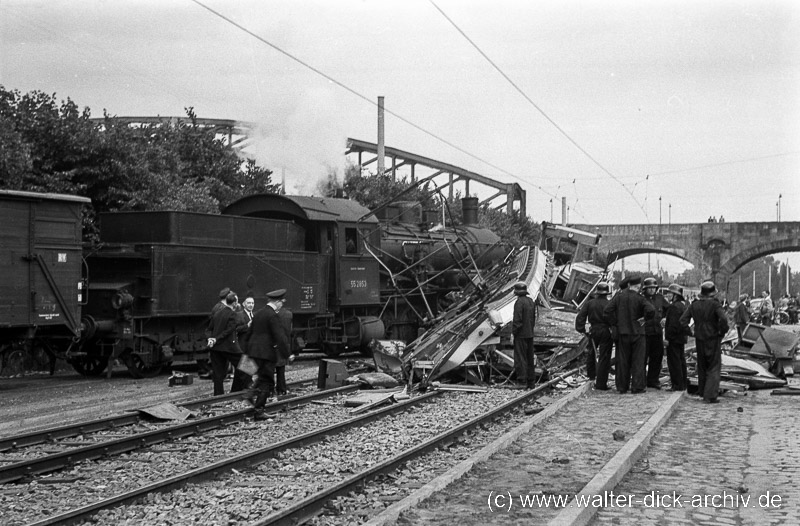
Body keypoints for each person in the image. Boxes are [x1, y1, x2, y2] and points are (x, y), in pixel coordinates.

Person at [603, 276, 655, 394]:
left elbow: (607, 311)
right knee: (638, 360)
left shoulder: (619, 297)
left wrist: (615, 323)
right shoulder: (640, 298)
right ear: (638, 287)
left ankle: (622, 387)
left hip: (622, 333)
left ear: (628, 285)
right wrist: (644, 319)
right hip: (638, 334)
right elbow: (651, 310)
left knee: (622, 361)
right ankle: (637, 387)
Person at [680, 281, 729, 403]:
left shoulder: (694, 305)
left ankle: (702, 392)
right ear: (713, 294)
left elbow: (682, 321)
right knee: (713, 366)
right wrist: (721, 332)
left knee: (702, 366)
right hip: (713, 337)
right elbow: (723, 319)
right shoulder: (715, 305)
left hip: (699, 338)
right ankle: (710, 395)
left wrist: (690, 332)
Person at [246, 289, 291, 416]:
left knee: (261, 377)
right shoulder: (273, 316)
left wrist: (247, 351)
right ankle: (259, 411)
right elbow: (280, 337)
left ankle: (249, 393)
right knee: (267, 381)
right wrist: (287, 354)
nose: (282, 304)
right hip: (266, 353)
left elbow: (249, 333)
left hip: (253, 351)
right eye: (282, 302)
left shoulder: (258, 313)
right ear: (277, 302)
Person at [205, 291, 249, 396]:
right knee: (247, 365)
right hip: (229, 346)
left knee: (218, 374)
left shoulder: (217, 313)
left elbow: (208, 329)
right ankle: (245, 389)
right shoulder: (233, 315)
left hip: (216, 348)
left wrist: (210, 338)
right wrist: (215, 339)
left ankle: (218, 395)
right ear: (234, 303)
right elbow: (228, 331)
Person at [574, 282, 613, 390]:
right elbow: (614, 318)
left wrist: (582, 330)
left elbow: (580, 317)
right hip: (606, 330)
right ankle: (601, 383)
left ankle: (591, 377)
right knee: (604, 356)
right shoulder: (610, 304)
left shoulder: (590, 303)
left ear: (597, 292)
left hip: (594, 330)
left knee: (591, 353)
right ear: (607, 293)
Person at [641, 277, 668, 389]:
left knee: (657, 357)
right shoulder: (642, 299)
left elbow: (669, 309)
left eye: (653, 288)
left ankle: (653, 380)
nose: (652, 290)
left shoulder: (660, 298)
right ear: (645, 289)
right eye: (649, 288)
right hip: (645, 333)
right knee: (643, 357)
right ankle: (641, 380)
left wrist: (665, 318)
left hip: (657, 332)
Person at [663, 284, 691, 391]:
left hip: (674, 339)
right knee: (681, 361)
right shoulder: (682, 306)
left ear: (675, 295)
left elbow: (673, 325)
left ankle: (677, 385)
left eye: (670, 293)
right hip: (681, 338)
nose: (668, 295)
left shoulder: (674, 307)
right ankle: (682, 384)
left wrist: (668, 338)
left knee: (674, 363)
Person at [511, 281, 537, 389]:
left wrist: (513, 333)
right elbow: (533, 318)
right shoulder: (531, 301)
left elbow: (517, 320)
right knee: (529, 358)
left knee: (520, 358)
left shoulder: (519, 303)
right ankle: (531, 381)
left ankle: (522, 381)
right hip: (529, 333)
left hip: (521, 334)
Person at [275, 307, 295, 397]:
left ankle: (272, 390)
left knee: (271, 370)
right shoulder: (288, 314)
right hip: (282, 346)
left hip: (272, 347)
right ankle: (281, 389)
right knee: (280, 369)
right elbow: (289, 332)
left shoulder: (267, 314)